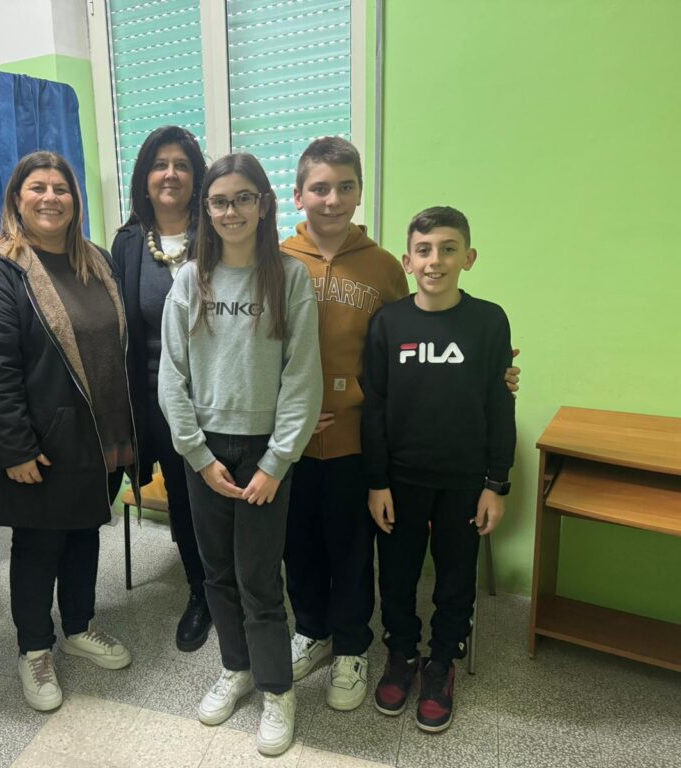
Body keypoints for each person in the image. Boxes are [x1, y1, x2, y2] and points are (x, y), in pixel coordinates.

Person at [280, 138, 521, 712]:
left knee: (365, 555)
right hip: (303, 442)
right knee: (307, 548)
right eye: (320, 187)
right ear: (298, 195)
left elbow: (415, 366)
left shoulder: (390, 270)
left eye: (345, 187)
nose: (332, 198)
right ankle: (333, 636)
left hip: (375, 448)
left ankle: (381, 651)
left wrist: (495, 380)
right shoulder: (278, 260)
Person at [0, 151, 136, 713]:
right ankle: (34, 647)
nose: (51, 197)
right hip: (43, 445)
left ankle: (78, 626)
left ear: (75, 201)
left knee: (85, 532)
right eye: (38, 187)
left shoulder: (96, 261)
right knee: (38, 546)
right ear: (17, 198)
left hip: (101, 436)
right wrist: (14, 447)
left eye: (61, 188)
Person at [158, 153, 322, 756]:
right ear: (206, 209)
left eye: (243, 198)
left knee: (259, 577)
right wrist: (198, 456)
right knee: (217, 572)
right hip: (205, 452)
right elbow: (171, 376)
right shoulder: (189, 279)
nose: (232, 211)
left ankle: (277, 688)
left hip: (263, 453)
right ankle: (237, 668)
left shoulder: (289, 278)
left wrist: (277, 462)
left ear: (263, 204)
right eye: (220, 201)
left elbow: (302, 378)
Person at [361, 206, 516, 733]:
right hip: (400, 480)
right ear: (407, 261)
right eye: (424, 250)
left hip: (464, 482)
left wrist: (496, 484)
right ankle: (401, 652)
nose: (435, 260)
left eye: (448, 249)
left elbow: (500, 407)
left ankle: (442, 660)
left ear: (468, 258)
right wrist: (376, 481)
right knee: (397, 575)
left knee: (454, 578)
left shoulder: (489, 321)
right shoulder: (388, 323)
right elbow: (375, 409)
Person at [110, 125, 212, 652]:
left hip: (220, 397)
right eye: (159, 164)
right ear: (144, 178)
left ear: (197, 178)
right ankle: (202, 592)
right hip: (156, 401)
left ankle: (239, 588)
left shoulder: (220, 232)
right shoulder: (128, 243)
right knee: (184, 499)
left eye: (181, 164)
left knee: (226, 497)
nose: (170, 174)